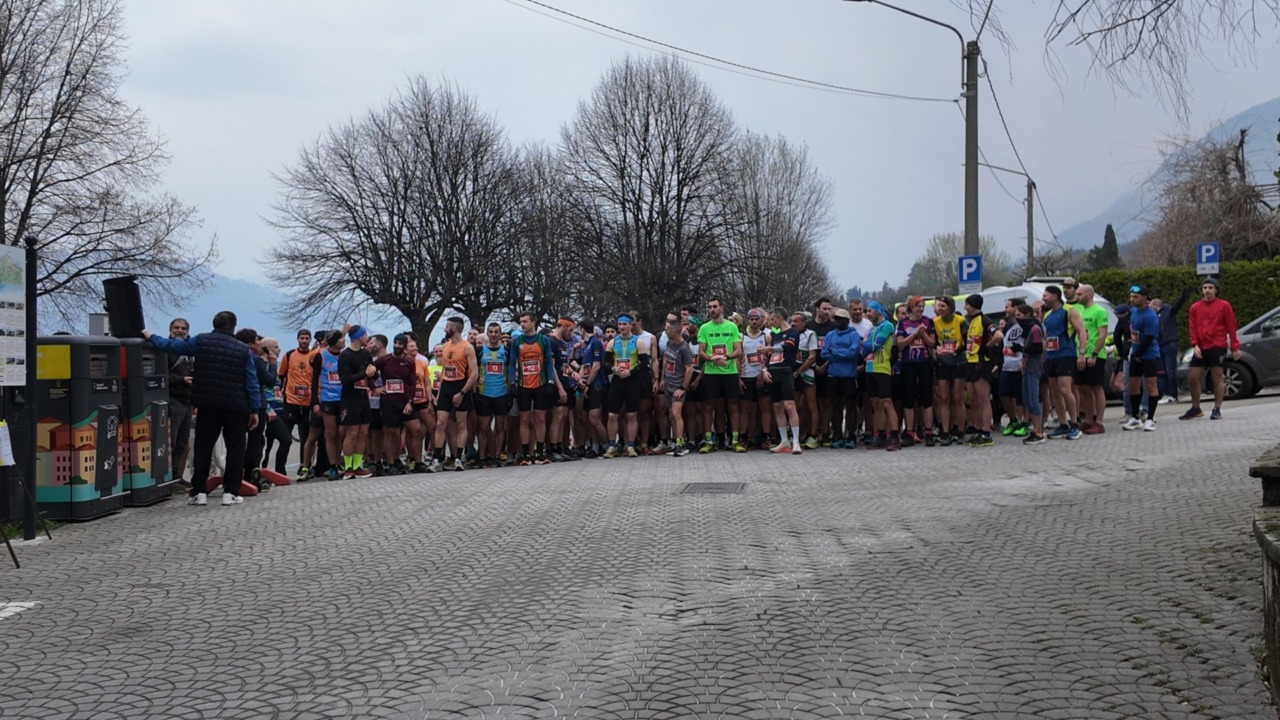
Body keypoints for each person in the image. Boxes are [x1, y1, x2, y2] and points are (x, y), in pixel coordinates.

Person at [143, 311, 260, 507]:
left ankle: (199, 492)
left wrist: (150, 336)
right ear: (233, 326)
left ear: (214, 324)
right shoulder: (242, 349)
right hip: (236, 406)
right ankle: (230, 492)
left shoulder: (201, 341)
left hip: (207, 404)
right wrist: (254, 409)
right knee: (235, 450)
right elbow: (251, 381)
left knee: (203, 448)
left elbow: (171, 345)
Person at [1181, 277, 1242, 421]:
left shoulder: (1224, 306)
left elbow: (1231, 326)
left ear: (1216, 290)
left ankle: (1217, 409)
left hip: (1217, 345)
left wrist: (1235, 347)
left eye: (1210, 288)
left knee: (1217, 377)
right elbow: (1192, 327)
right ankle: (1195, 408)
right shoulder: (1195, 307)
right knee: (1193, 377)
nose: (1207, 290)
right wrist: (1195, 344)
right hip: (1201, 347)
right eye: (1205, 288)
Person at [509, 312, 561, 464]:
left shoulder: (543, 340)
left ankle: (540, 452)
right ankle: (525, 454)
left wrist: (550, 381)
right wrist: (512, 383)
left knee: (540, 418)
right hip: (524, 385)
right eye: (521, 322)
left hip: (540, 383)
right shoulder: (516, 341)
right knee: (524, 419)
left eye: (525, 321)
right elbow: (512, 364)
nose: (522, 324)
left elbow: (549, 363)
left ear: (533, 323)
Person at [430, 317, 480, 471]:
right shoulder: (445, 346)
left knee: (461, 423)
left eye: (447, 326)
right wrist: (439, 394)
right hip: (446, 387)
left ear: (455, 329)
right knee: (440, 423)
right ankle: (437, 459)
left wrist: (462, 392)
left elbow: (474, 374)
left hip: (461, 386)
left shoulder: (467, 347)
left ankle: (458, 458)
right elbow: (445, 369)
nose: (445, 329)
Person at [697, 298, 743, 453]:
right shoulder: (704, 328)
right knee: (709, 406)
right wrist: (713, 359)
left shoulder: (731, 327)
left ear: (721, 308)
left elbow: (738, 350)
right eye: (709, 307)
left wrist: (726, 357)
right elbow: (701, 352)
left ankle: (735, 440)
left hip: (730, 372)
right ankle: (709, 440)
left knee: (733, 406)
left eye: (715, 307)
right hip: (711, 372)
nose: (712, 309)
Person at [1041, 286, 1087, 440]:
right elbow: (1046, 337)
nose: (1043, 298)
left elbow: (1081, 331)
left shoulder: (1069, 310)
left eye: (1045, 295)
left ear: (1054, 296)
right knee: (1054, 391)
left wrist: (1082, 353)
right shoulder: (1047, 314)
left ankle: (1074, 424)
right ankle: (1062, 424)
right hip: (1051, 357)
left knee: (1065, 389)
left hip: (1066, 354)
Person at [602, 313, 649, 458]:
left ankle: (630, 445)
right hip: (617, 381)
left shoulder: (638, 342)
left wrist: (631, 371)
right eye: (620, 324)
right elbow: (604, 363)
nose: (621, 327)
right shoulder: (612, 342)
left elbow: (643, 363)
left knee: (631, 415)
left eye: (624, 324)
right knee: (612, 415)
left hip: (632, 380)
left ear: (630, 325)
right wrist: (614, 369)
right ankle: (611, 445)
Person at [372, 333, 419, 475]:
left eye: (400, 344)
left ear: (405, 346)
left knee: (416, 429)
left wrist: (410, 402)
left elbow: (412, 383)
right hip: (388, 402)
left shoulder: (409, 362)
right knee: (390, 432)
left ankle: (417, 462)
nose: (397, 346)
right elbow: (368, 372)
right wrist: (375, 388)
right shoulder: (384, 360)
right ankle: (391, 463)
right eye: (395, 343)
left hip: (405, 402)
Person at [236, 329, 276, 493]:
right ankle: (251, 473)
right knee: (256, 441)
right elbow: (269, 381)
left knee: (240, 441)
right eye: (258, 342)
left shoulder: (237, 357)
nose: (260, 344)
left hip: (239, 403)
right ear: (252, 344)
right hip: (256, 404)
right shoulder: (256, 360)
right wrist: (273, 365)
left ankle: (242, 473)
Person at [893, 297, 934, 447]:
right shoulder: (904, 323)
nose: (921, 309)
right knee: (908, 399)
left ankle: (928, 432)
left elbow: (932, 343)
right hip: (908, 363)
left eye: (922, 306)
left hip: (924, 362)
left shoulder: (928, 321)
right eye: (918, 306)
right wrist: (914, 334)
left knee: (927, 398)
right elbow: (900, 343)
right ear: (912, 307)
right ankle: (909, 432)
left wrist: (923, 334)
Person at [764, 310, 805, 454]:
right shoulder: (774, 335)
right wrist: (765, 370)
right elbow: (768, 356)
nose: (771, 322)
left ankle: (796, 441)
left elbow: (788, 346)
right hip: (773, 372)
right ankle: (784, 441)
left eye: (772, 319)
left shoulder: (793, 332)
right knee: (777, 406)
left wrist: (770, 347)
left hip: (786, 370)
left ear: (779, 317)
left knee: (789, 406)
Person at [337, 325, 376, 479]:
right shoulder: (345, 355)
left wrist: (373, 373)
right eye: (365, 335)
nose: (368, 338)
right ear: (358, 337)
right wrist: (363, 374)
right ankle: (348, 467)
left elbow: (371, 373)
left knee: (363, 431)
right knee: (352, 432)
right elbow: (345, 379)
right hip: (349, 398)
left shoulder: (366, 354)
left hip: (363, 397)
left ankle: (357, 465)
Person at [822, 307, 864, 447]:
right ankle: (837, 435)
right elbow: (824, 354)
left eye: (840, 320)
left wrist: (834, 352)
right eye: (836, 319)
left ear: (846, 321)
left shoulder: (854, 335)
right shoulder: (829, 335)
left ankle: (851, 435)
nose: (837, 322)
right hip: (833, 376)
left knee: (851, 406)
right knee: (836, 407)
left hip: (849, 376)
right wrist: (841, 353)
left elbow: (853, 354)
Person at [1123, 285, 1162, 431]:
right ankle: (1135, 417)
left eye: (1136, 297)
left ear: (1145, 299)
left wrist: (1138, 354)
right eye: (1131, 296)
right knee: (1133, 386)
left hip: (1149, 355)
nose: (1132, 299)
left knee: (1151, 385)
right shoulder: (1133, 312)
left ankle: (1150, 419)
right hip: (1136, 354)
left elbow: (1150, 338)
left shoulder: (1150, 316)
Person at [862, 301, 899, 451]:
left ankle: (895, 437)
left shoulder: (887, 325)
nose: (868, 314)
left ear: (878, 311)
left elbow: (874, 346)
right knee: (875, 404)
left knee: (886, 403)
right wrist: (865, 345)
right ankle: (881, 436)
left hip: (882, 368)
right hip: (869, 368)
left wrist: (863, 343)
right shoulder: (872, 329)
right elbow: (864, 351)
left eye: (870, 311)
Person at [474, 323, 512, 468]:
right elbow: (474, 371)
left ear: (500, 334)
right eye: (491, 332)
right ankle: (483, 456)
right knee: (483, 426)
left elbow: (510, 371)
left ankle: (497, 455)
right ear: (487, 333)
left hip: (501, 392)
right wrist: (474, 390)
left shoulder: (506, 350)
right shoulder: (480, 351)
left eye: (496, 332)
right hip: (484, 392)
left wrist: (511, 388)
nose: (494, 334)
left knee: (500, 425)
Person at [1074, 284, 1110, 434]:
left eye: (1080, 294)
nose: (1077, 297)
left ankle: (1099, 422)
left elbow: (1102, 334)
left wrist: (1094, 354)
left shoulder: (1099, 311)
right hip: (1080, 354)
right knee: (1084, 388)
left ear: (1089, 294)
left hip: (1094, 355)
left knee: (1096, 387)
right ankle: (1088, 420)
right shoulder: (1078, 310)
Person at [961, 294, 996, 447]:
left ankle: (986, 432)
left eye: (967, 305)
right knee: (972, 401)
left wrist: (986, 347)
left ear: (974, 305)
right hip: (969, 362)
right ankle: (978, 430)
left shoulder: (984, 319)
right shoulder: (970, 321)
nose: (965, 307)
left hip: (980, 364)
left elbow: (998, 335)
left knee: (983, 400)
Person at [932, 297, 966, 446]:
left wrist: (955, 351)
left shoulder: (960, 320)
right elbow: (934, 342)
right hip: (943, 364)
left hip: (958, 362)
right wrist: (937, 350)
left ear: (951, 307)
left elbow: (966, 342)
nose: (940, 308)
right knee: (944, 399)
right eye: (938, 306)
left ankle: (960, 431)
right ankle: (945, 432)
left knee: (958, 398)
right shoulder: (935, 322)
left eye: (943, 306)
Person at [660, 315, 696, 456]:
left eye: (667, 329)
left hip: (677, 386)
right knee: (670, 414)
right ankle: (676, 441)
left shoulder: (684, 348)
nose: (665, 332)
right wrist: (662, 378)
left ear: (674, 330)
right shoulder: (669, 344)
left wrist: (683, 388)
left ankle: (681, 444)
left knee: (676, 413)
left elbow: (690, 369)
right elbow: (665, 360)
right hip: (668, 384)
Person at [164, 318, 194, 484]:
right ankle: (168, 476)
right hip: (173, 399)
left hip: (187, 401)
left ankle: (177, 476)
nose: (180, 331)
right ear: (170, 329)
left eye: (183, 328)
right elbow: (160, 376)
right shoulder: (165, 350)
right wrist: (181, 379)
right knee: (172, 442)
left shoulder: (189, 352)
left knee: (182, 443)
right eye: (176, 327)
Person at [1153, 286, 1193, 403]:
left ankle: (1173, 395)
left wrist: (1183, 296)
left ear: (1156, 306)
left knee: (1170, 370)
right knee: (1163, 371)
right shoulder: (1155, 316)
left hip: (1170, 343)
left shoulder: (1168, 311)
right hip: (1160, 345)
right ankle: (1167, 393)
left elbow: (1177, 306)